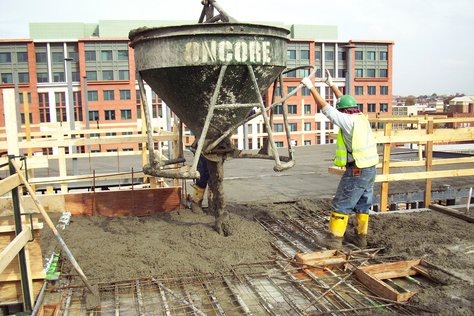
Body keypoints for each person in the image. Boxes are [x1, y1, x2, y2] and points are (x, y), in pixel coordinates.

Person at [301, 70, 379, 249]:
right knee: (362, 204)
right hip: (370, 168)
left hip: (357, 169)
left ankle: (334, 240)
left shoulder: (347, 121)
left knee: (342, 202)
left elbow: (326, 109)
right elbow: (346, 102)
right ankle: (361, 238)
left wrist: (311, 88)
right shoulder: (360, 117)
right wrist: (332, 86)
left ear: (343, 111)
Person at [190, 138, 210, 213]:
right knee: (202, 175)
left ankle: (213, 204)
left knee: (214, 178)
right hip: (202, 146)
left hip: (214, 147)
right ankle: (196, 202)